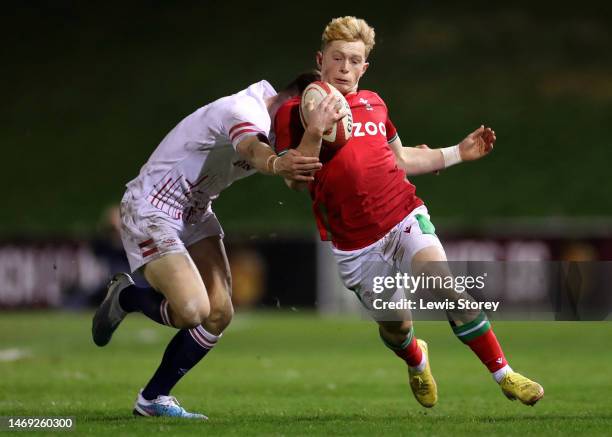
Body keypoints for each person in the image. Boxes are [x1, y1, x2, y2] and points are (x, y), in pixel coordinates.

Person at [273, 16, 544, 408]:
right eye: (337, 58)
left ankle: (505, 374)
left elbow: (400, 159)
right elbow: (295, 181)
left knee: (446, 286)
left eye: (354, 60)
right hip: (355, 244)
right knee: (397, 328)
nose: (345, 68)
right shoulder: (293, 114)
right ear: (321, 60)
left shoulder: (375, 103)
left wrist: (457, 153)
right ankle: (416, 357)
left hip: (402, 215)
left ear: (364, 67)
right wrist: (315, 130)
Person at [92, 73, 346, 419]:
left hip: (196, 210)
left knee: (219, 313)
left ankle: (153, 398)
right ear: (299, 102)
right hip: (152, 205)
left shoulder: (284, 124)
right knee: (192, 310)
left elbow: (294, 180)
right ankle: (126, 297)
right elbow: (254, 151)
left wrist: (316, 134)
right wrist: (277, 160)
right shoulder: (245, 109)